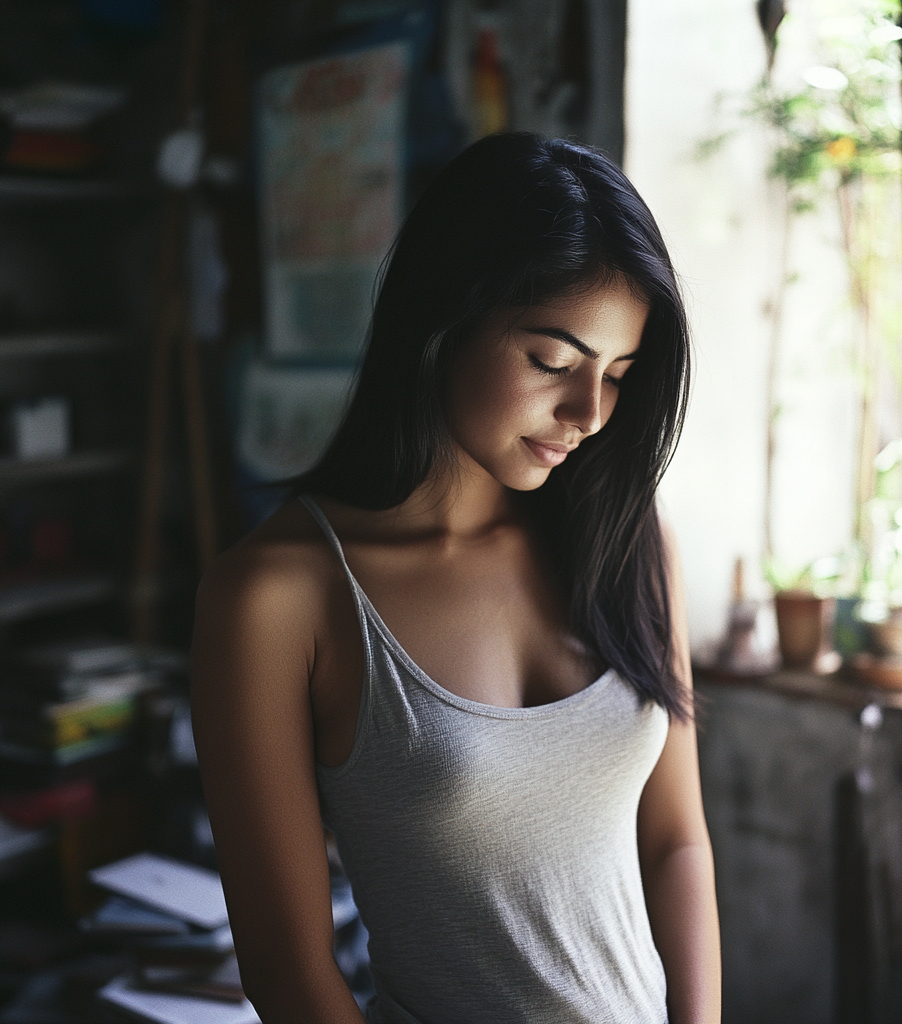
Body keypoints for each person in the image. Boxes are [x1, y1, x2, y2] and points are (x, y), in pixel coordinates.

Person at [191, 132, 721, 1024]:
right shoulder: (279, 599)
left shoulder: (629, 544)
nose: (589, 413)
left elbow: (675, 843)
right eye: (552, 362)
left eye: (619, 375)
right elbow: (286, 969)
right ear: (443, 321)